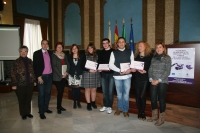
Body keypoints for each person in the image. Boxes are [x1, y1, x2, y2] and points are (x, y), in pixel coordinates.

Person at [109, 37, 134, 118]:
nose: (121, 43)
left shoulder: (130, 51)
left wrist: (130, 70)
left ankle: (125, 110)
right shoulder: (114, 52)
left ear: (125, 43)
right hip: (117, 76)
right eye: (119, 42)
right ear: (117, 43)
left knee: (126, 94)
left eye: (123, 42)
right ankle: (119, 108)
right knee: (119, 95)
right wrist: (119, 70)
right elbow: (111, 65)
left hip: (127, 76)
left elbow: (133, 63)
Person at [147, 42, 171, 126]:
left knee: (161, 100)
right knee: (153, 99)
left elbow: (167, 71)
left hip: (162, 82)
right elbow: (150, 69)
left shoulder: (167, 58)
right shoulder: (153, 58)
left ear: (163, 48)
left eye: (160, 47)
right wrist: (150, 79)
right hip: (153, 81)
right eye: (157, 47)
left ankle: (161, 119)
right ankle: (154, 116)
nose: (158, 49)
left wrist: (158, 80)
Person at [11, 46, 36, 120]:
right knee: (21, 99)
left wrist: (34, 81)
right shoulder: (16, 62)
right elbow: (13, 73)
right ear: (19, 52)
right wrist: (14, 84)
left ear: (27, 52)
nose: (23, 53)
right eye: (21, 51)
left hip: (30, 83)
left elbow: (33, 71)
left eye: (25, 51)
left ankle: (28, 112)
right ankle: (23, 113)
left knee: (28, 99)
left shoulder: (30, 61)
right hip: (20, 84)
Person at [132, 41, 152, 120]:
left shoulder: (150, 56)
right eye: (138, 46)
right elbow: (133, 66)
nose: (139, 47)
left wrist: (146, 71)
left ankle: (143, 112)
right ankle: (139, 111)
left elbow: (151, 68)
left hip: (145, 78)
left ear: (145, 47)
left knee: (142, 95)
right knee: (137, 95)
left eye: (140, 46)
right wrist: (133, 69)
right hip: (137, 77)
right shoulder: (136, 56)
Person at [33, 39, 53, 119]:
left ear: (48, 45)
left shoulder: (51, 53)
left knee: (47, 93)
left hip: (50, 76)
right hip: (41, 76)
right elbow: (35, 66)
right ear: (41, 44)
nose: (45, 45)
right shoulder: (37, 53)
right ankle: (41, 112)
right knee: (41, 94)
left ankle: (45, 108)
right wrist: (38, 76)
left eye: (46, 44)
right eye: (43, 44)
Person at [82, 43, 101, 111]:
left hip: (95, 75)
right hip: (87, 75)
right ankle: (88, 104)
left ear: (94, 49)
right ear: (87, 49)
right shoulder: (84, 56)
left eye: (91, 48)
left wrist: (99, 69)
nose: (90, 49)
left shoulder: (97, 56)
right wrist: (89, 70)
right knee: (87, 90)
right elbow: (82, 66)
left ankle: (93, 102)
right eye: (89, 48)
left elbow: (99, 65)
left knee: (94, 90)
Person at [52, 42, 69, 114]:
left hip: (64, 76)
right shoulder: (53, 55)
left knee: (61, 92)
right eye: (58, 47)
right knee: (60, 91)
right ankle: (58, 107)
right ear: (56, 48)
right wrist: (61, 74)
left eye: (61, 47)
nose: (60, 48)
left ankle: (59, 106)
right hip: (57, 77)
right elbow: (54, 66)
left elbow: (68, 64)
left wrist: (66, 72)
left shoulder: (64, 55)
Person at [98, 38, 115, 114]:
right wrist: (99, 68)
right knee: (104, 91)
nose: (105, 44)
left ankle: (109, 106)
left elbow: (115, 63)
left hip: (111, 74)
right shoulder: (101, 52)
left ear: (109, 43)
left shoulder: (113, 52)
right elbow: (99, 62)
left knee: (110, 91)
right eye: (103, 43)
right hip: (103, 74)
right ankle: (105, 105)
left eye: (106, 43)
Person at [68, 44, 85, 109]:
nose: (74, 50)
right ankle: (74, 102)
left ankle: (78, 102)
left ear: (78, 49)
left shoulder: (82, 56)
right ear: (71, 50)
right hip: (72, 75)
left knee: (78, 90)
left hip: (79, 75)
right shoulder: (69, 57)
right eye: (73, 49)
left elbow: (84, 65)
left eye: (76, 48)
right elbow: (68, 66)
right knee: (73, 90)